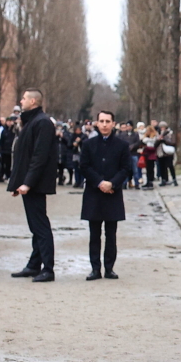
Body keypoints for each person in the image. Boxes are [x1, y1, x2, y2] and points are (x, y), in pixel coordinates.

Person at [8, 88, 59, 283]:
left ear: (33, 101)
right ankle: (34, 265)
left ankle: (47, 268)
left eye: (23, 98)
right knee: (35, 225)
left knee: (40, 225)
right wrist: (18, 183)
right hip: (30, 182)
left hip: (36, 184)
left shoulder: (42, 122)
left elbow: (39, 156)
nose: (21, 101)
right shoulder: (33, 121)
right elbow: (24, 155)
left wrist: (27, 183)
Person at [79, 111, 128, 280]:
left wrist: (112, 183)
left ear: (113, 123)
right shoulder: (88, 144)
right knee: (94, 234)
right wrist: (100, 182)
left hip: (113, 194)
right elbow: (84, 166)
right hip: (94, 194)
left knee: (111, 234)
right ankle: (95, 268)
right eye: (101, 121)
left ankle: (109, 268)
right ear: (97, 123)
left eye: (108, 121)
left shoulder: (122, 145)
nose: (105, 124)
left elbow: (126, 168)